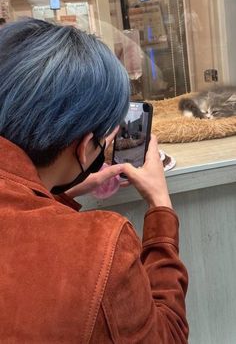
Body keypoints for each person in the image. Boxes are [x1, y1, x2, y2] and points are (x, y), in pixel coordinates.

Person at [0, 18, 188, 343]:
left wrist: (54, 194)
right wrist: (161, 205)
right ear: (87, 147)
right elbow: (166, 336)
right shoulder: (99, 247)